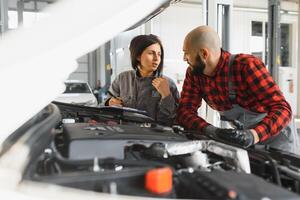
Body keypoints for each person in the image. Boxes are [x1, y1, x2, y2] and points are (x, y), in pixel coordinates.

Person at [177, 25, 299, 154]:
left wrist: (253, 135)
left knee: (281, 173)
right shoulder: (194, 74)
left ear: (204, 54)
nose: (184, 58)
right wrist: (211, 130)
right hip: (245, 138)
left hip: (277, 136)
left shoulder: (246, 66)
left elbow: (282, 108)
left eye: (187, 52)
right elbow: (184, 112)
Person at [105, 34, 179, 125]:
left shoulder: (168, 84)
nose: (156, 58)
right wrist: (109, 102)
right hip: (126, 134)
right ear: (138, 56)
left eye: (159, 54)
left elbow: (171, 118)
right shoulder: (122, 79)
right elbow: (106, 102)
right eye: (151, 53)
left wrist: (166, 95)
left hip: (154, 137)